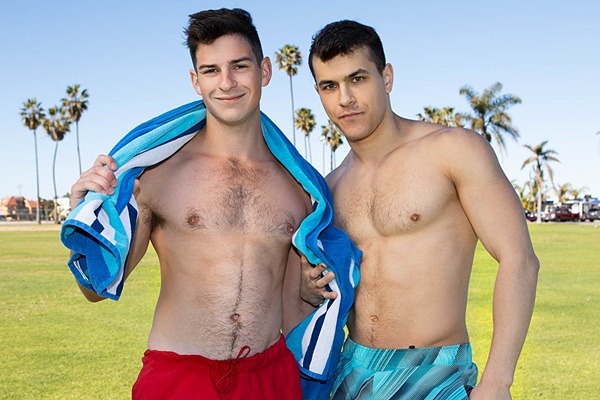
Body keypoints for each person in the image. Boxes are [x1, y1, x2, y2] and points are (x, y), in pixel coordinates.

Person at [63, 9, 361, 400]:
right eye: (210, 70)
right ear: (195, 81)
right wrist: (83, 216)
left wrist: (310, 291)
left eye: (239, 66)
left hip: (270, 377)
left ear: (264, 71)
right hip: (179, 377)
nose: (226, 83)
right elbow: (96, 289)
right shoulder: (157, 175)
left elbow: (297, 306)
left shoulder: (299, 189)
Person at [302, 20, 540, 399]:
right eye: (330, 86)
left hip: (434, 373)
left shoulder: (453, 150)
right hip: (352, 371)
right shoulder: (329, 187)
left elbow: (519, 259)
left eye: (357, 79)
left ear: (386, 77)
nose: (345, 98)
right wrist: (310, 287)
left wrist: (497, 381)